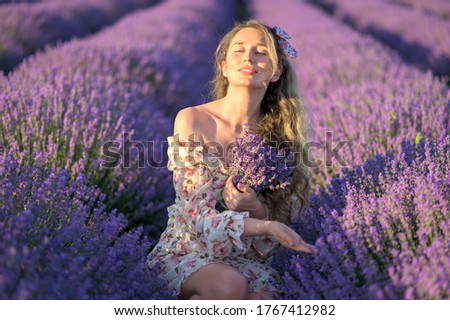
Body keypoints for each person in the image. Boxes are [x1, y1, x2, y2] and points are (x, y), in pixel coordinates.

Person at [147, 20, 316, 300]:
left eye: (261, 52)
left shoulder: (280, 134)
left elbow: (279, 224)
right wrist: (263, 225)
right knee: (228, 286)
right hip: (189, 250)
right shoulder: (194, 120)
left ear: (275, 72)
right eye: (239, 50)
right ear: (224, 67)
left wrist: (254, 207)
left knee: (265, 301)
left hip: (247, 258)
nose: (249, 57)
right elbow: (195, 216)